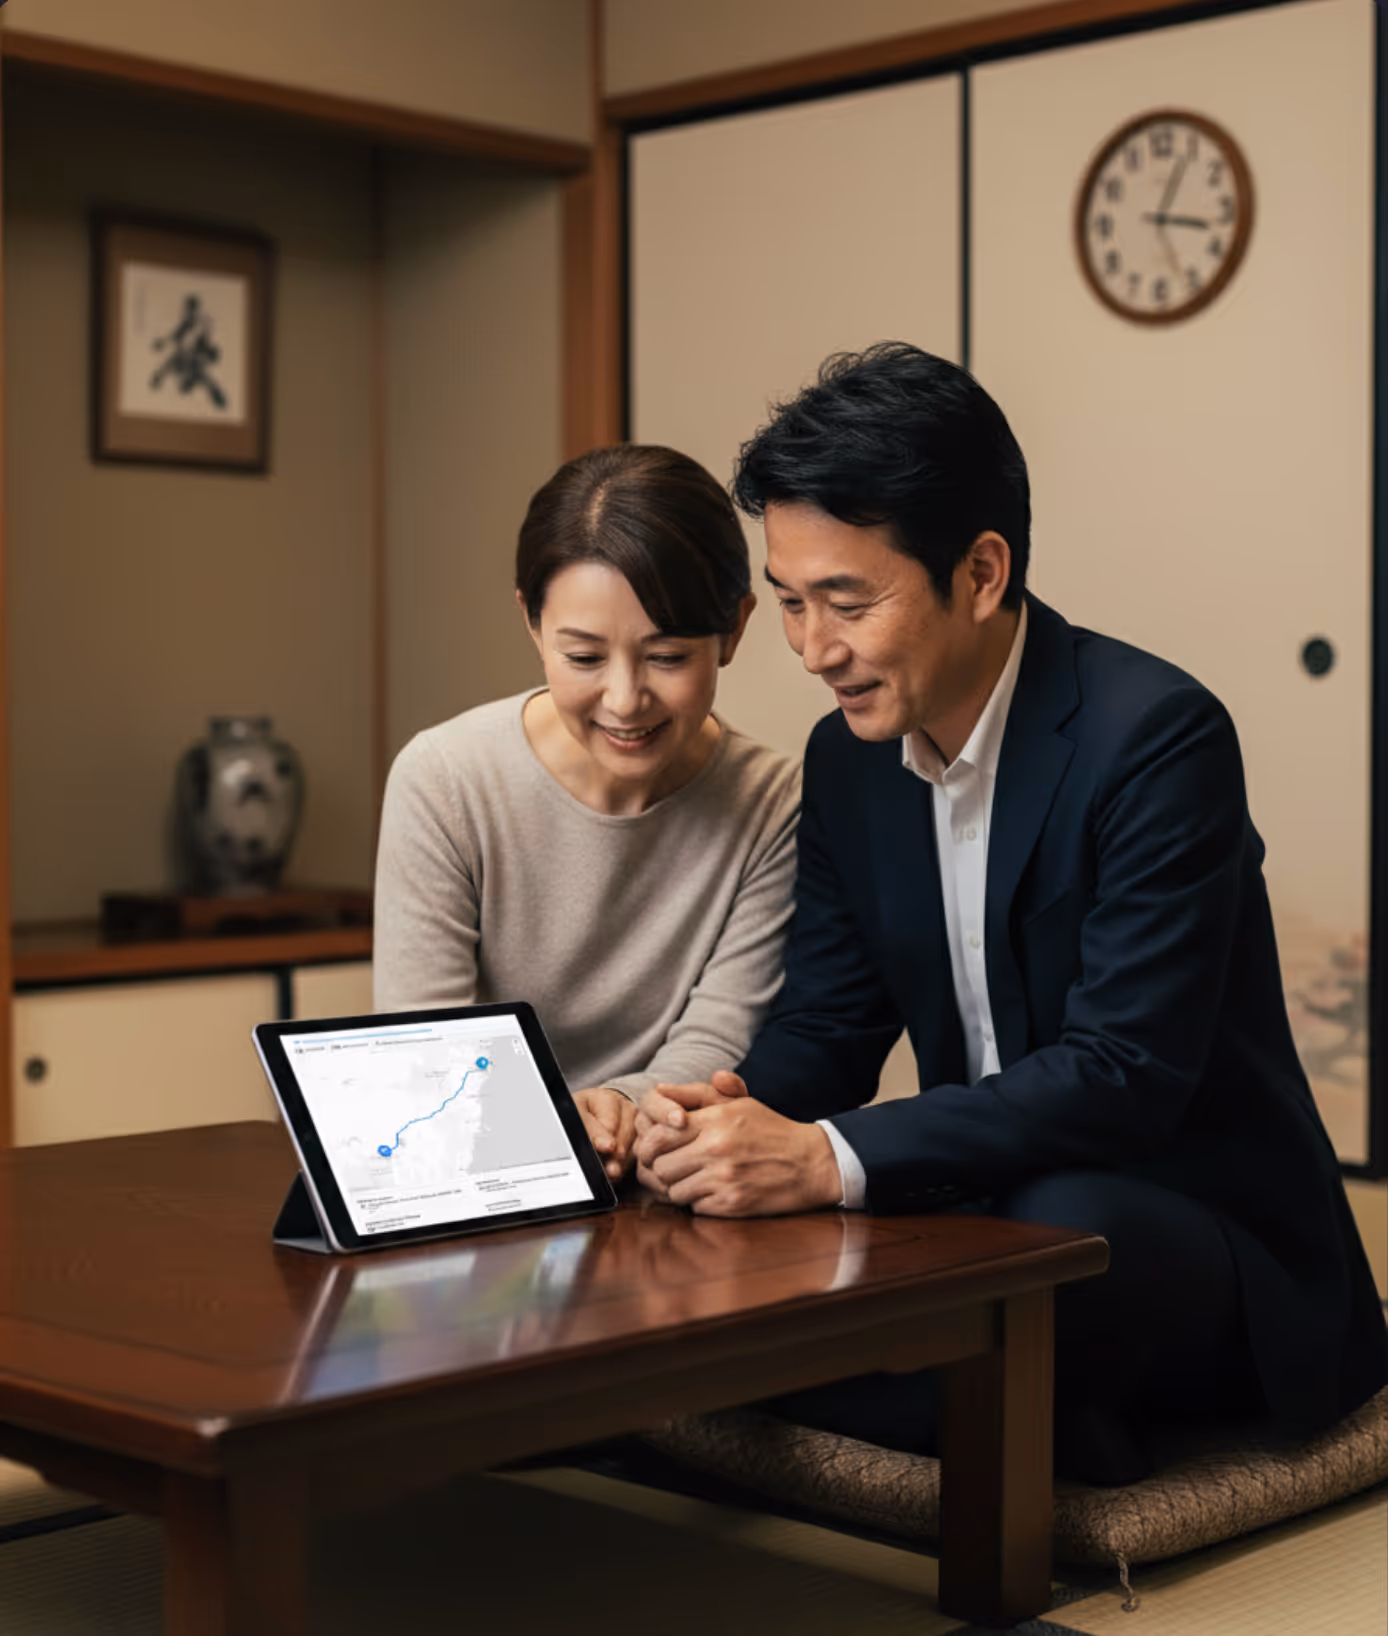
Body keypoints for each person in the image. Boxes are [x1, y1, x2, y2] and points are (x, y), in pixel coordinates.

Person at [633, 344, 1387, 1482]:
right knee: (766, 1237)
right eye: (788, 603)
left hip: (1198, 1225)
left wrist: (823, 1160)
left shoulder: (1155, 737)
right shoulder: (846, 763)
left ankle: (922, 1397)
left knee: (1052, 1222)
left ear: (979, 573)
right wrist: (716, 1127)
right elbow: (828, 1028)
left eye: (845, 601)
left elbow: (1123, 1074)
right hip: (985, 1205)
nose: (809, 649)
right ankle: (1019, 1416)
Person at [374, 444, 800, 1181]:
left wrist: (606, 1112)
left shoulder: (771, 802)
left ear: (733, 629)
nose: (625, 699)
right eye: (583, 657)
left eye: (666, 657)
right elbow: (425, 1056)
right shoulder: (446, 781)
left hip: (665, 1172)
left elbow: (712, 1044)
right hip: (471, 1176)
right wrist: (557, 1122)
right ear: (532, 624)